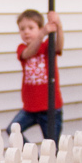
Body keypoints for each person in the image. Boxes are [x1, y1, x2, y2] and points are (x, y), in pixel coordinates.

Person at [13, 10, 65, 142]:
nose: (26, 32)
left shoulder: (47, 46)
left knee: (52, 145)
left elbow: (59, 46)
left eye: (31, 28)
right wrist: (42, 33)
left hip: (50, 107)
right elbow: (28, 53)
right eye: (22, 29)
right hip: (30, 108)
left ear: (40, 27)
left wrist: (58, 25)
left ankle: (50, 162)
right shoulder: (21, 48)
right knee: (13, 130)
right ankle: (34, 158)